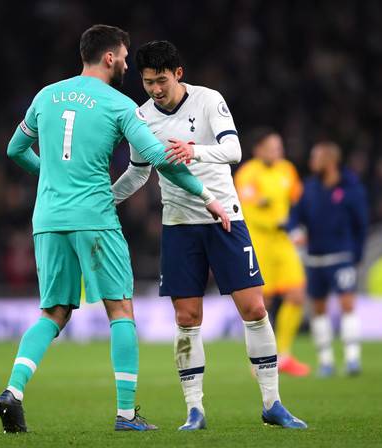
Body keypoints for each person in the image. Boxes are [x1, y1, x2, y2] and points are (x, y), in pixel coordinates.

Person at [0, 25, 231, 434]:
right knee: (120, 310)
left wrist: (51, 175)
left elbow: (15, 149)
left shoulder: (45, 96)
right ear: (109, 57)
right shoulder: (121, 105)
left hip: (48, 219)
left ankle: (13, 391)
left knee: (53, 312)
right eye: (123, 56)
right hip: (95, 217)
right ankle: (126, 415)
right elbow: (160, 158)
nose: (126, 63)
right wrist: (206, 195)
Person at [112, 41, 307, 430]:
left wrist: (194, 151)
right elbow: (139, 171)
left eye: (162, 80)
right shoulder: (141, 117)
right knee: (187, 317)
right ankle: (194, 410)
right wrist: (106, 199)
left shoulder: (208, 100)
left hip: (226, 219)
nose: (156, 89)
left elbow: (233, 150)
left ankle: (272, 403)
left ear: (178, 74)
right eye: (148, 82)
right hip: (179, 225)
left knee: (254, 308)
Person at [234, 129, 310, 377]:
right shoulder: (248, 174)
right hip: (259, 241)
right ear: (258, 149)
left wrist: (298, 226)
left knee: (297, 294)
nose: (277, 152)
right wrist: (275, 219)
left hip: (283, 241)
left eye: (279, 147)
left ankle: (284, 355)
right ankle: (260, 359)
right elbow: (250, 209)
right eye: (272, 147)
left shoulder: (287, 170)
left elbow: (297, 201)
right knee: (260, 303)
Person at [288, 142, 368, 377]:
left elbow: (361, 224)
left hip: (341, 256)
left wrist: (357, 255)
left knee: (347, 304)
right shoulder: (309, 188)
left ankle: (352, 358)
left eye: (316, 158)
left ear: (330, 161)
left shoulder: (351, 188)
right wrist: (295, 231)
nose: (312, 162)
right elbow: (294, 217)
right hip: (314, 258)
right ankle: (326, 361)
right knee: (318, 309)